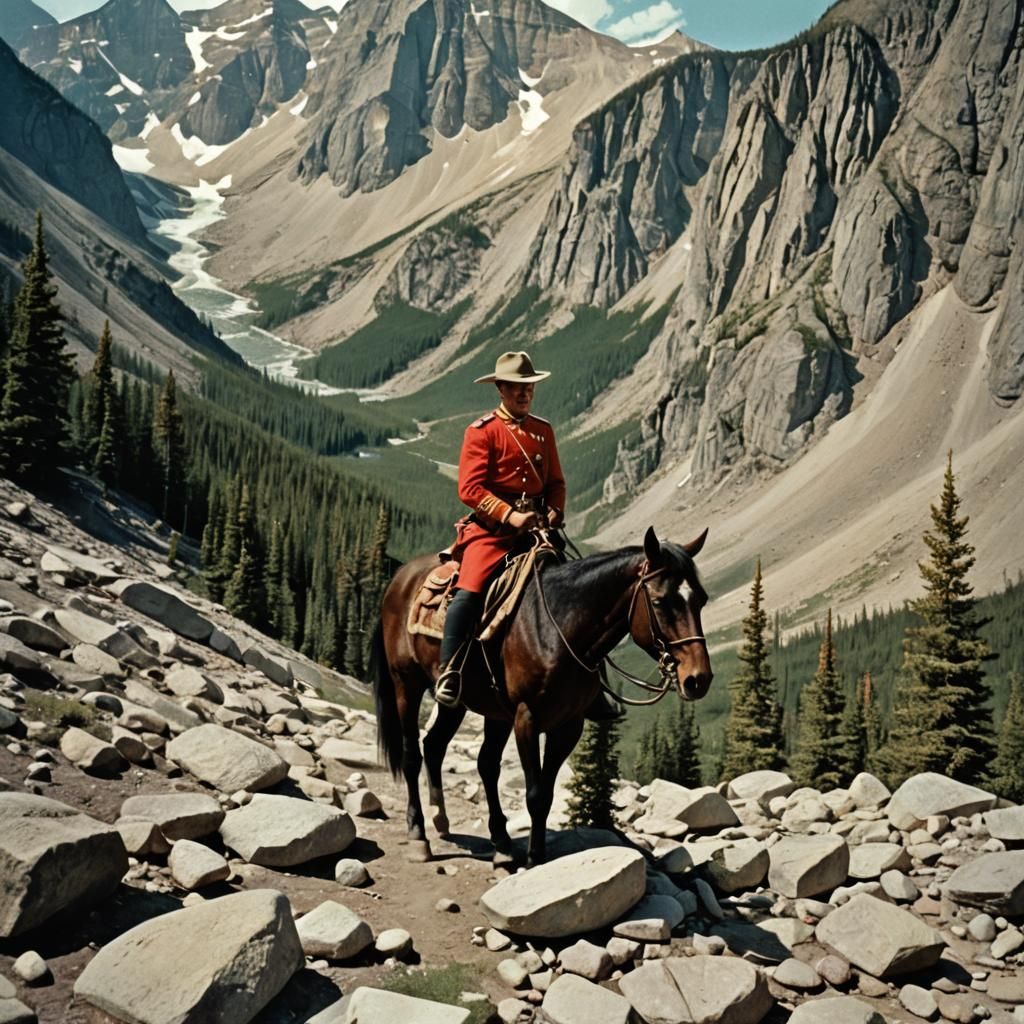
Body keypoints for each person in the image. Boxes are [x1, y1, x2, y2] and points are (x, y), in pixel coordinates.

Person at [435, 350, 621, 721]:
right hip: (491, 533)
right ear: (500, 388)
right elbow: (470, 490)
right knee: (468, 593)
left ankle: (592, 686)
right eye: (517, 388)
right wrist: (508, 515)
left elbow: (555, 482)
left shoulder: (542, 430)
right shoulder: (482, 431)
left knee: (580, 597)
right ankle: (450, 670)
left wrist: (553, 509)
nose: (524, 394)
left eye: (529, 387)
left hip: (536, 532)